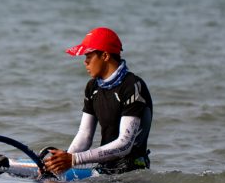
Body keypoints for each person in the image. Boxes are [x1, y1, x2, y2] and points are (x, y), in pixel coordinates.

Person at [43, 27, 153, 175]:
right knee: (48, 179)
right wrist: (62, 161)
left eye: (89, 56)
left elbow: (125, 144)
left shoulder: (132, 86)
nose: (85, 62)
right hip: (104, 170)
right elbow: (85, 136)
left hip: (132, 172)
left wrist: (73, 159)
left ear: (105, 56)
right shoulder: (92, 87)